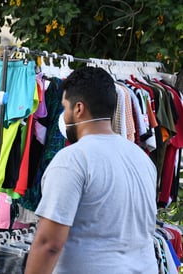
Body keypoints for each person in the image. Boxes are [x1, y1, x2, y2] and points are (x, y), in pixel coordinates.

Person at [24, 67, 157, 273]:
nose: (64, 115)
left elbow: (49, 244)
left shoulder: (72, 160)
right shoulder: (141, 157)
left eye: (64, 107)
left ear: (78, 109)